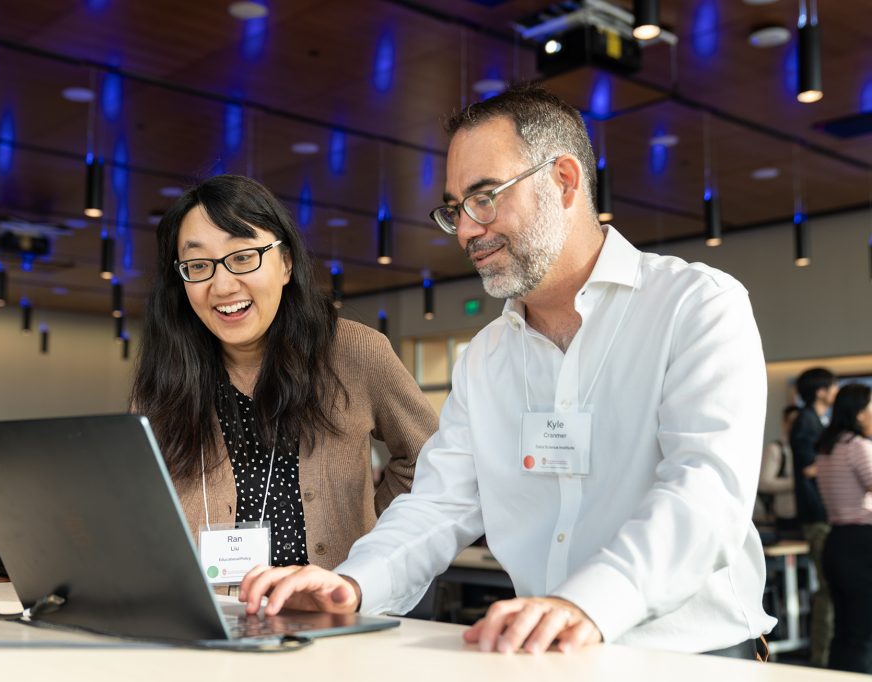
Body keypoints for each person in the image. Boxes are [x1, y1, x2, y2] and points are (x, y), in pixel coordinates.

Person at [239, 84, 774, 657]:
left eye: (485, 197)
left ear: (564, 180)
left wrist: (589, 604)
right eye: (456, 208)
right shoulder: (488, 355)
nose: (466, 230)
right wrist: (352, 583)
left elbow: (706, 492)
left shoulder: (695, 304)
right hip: (546, 657)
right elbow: (439, 504)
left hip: (697, 659)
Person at [131, 174, 437, 578]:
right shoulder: (166, 377)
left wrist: (372, 539)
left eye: (243, 257)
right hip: (211, 620)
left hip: (328, 616)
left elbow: (431, 459)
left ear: (287, 263)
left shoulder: (355, 352)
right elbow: (141, 501)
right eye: (199, 265)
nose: (222, 285)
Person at [813, 383, 872, 674]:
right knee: (862, 633)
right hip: (861, 543)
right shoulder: (857, 446)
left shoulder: (827, 447)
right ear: (860, 413)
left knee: (846, 630)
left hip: (837, 540)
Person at [789, 366, 837, 666]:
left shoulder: (815, 420)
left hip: (822, 509)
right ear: (820, 390)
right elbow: (807, 467)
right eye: (832, 386)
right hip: (816, 511)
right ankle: (822, 659)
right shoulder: (806, 421)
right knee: (827, 585)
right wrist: (841, 464)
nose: (835, 391)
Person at [755, 405, 801, 538]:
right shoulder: (776, 449)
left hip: (804, 517)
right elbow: (764, 483)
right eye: (792, 422)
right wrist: (797, 483)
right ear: (784, 423)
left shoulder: (807, 448)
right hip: (783, 516)